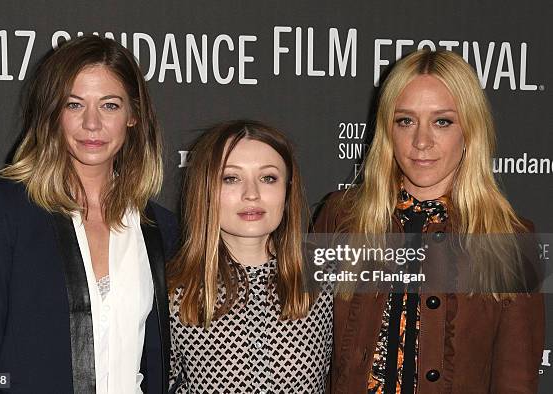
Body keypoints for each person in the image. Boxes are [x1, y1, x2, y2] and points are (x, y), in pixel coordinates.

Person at [0, 36, 177, 393]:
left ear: (133, 116)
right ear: (52, 112)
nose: (91, 123)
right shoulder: (2, 208)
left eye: (110, 105)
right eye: (74, 104)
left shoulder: (159, 228)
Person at [314, 49, 545, 393]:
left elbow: (515, 382)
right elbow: (303, 349)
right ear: (387, 130)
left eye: (442, 121)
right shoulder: (341, 217)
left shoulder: (510, 240)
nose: (421, 141)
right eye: (405, 120)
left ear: (470, 130)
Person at [166, 120, 333, 393]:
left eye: (268, 178)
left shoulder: (323, 276)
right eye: (231, 178)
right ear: (206, 190)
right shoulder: (173, 289)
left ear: (287, 189)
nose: (252, 194)